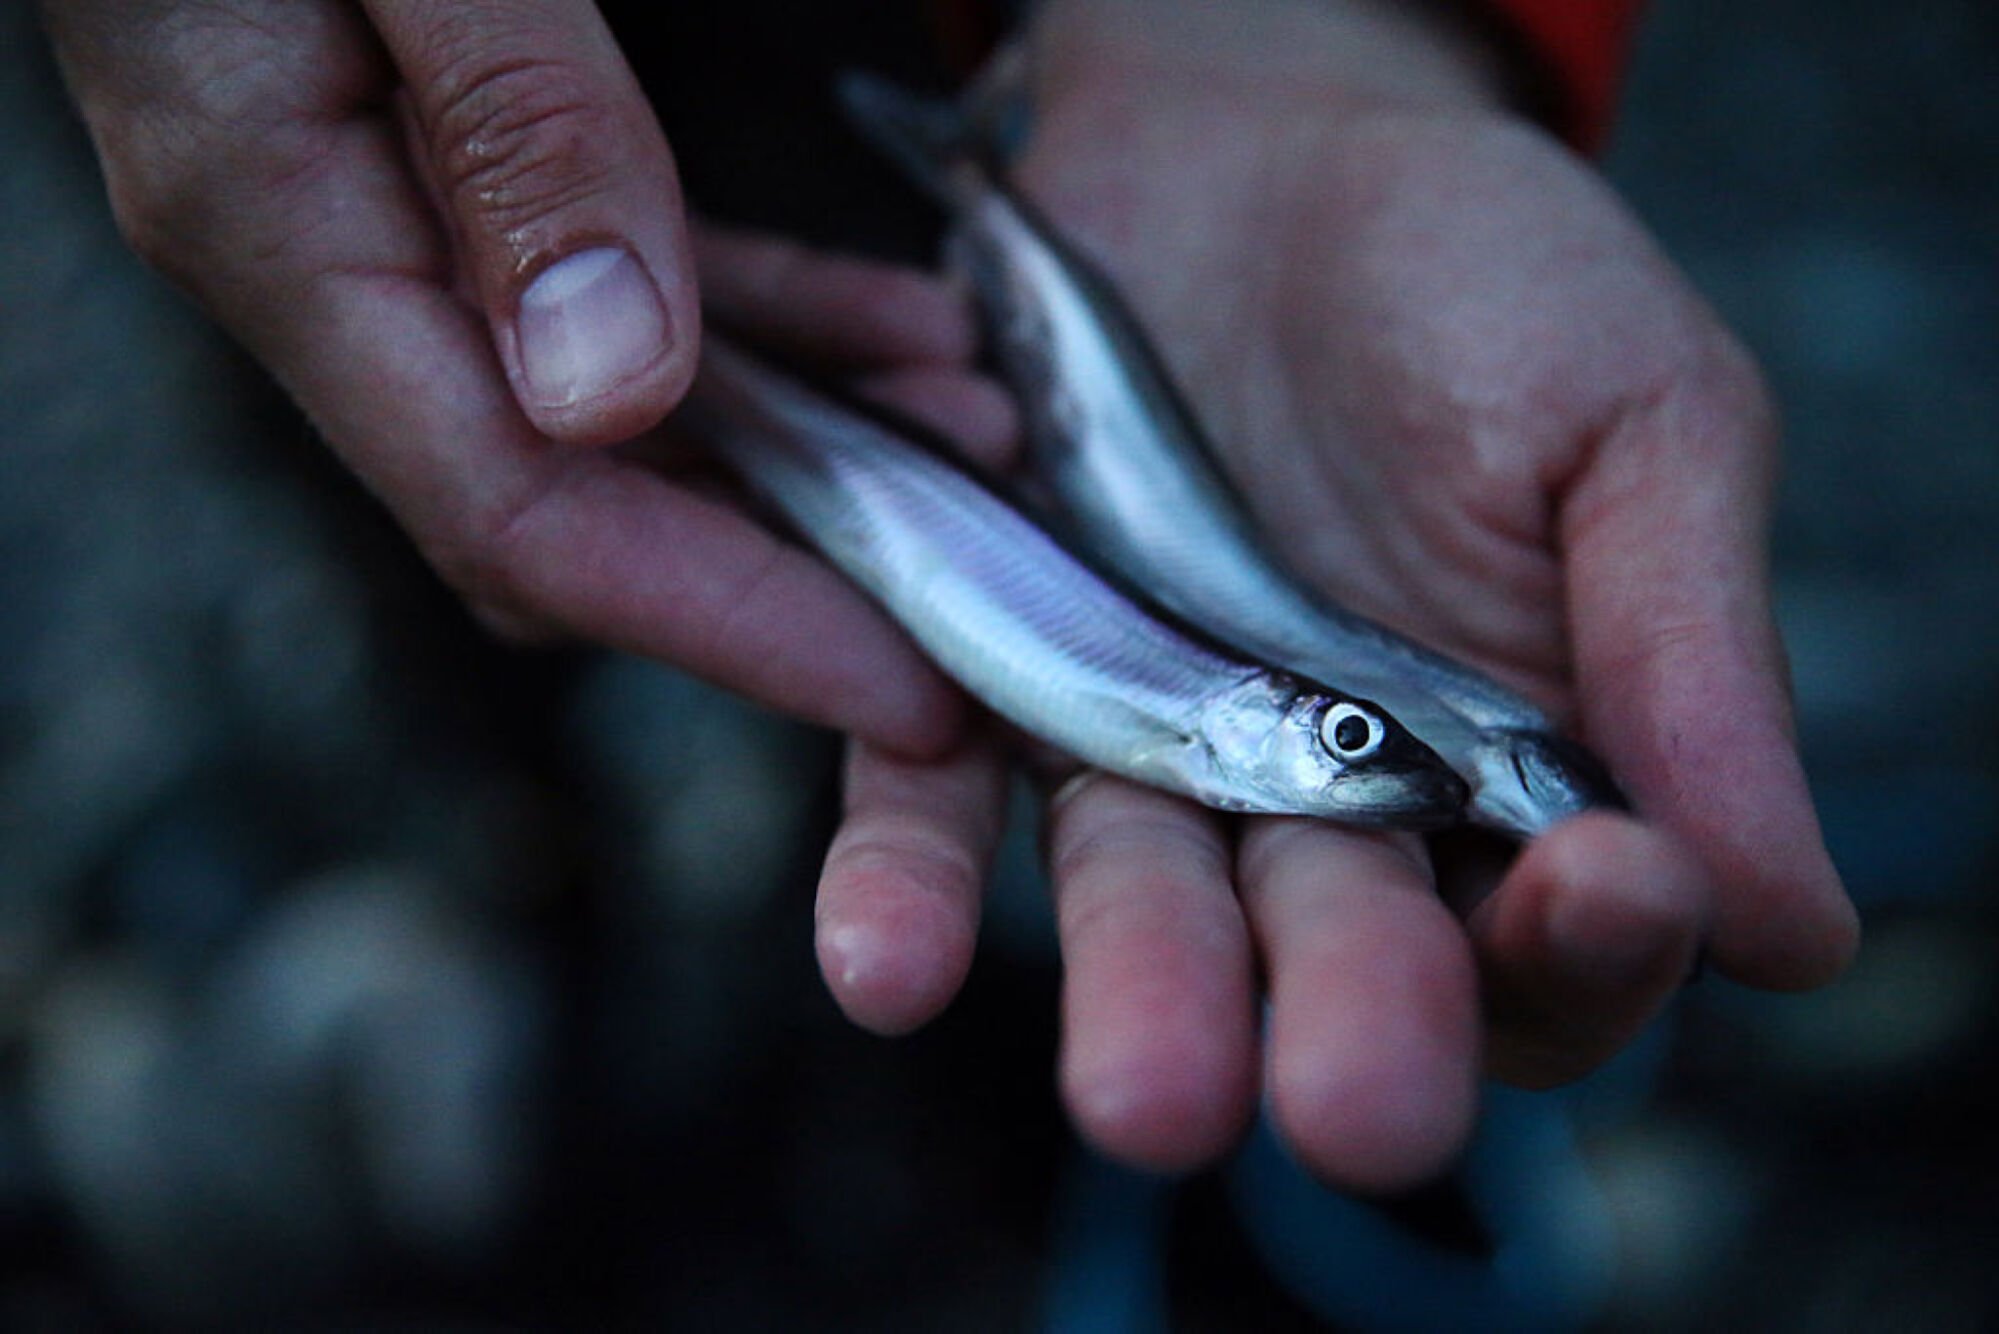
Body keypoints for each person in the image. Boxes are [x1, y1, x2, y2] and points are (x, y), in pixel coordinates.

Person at [43, 0, 1857, 1193]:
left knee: (715, 534)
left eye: (1359, 746)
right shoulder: (1234, 713)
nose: (1371, 760)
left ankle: (688, 879)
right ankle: (528, 860)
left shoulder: (1260, 715)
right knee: (404, 428)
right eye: (1341, 740)